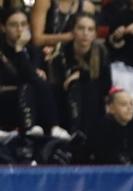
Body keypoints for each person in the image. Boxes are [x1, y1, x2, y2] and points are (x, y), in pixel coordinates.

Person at [0, 6, 67, 137]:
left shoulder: (33, 50)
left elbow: (30, 77)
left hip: (29, 97)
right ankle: (51, 125)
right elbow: (25, 77)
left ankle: (40, 127)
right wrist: (19, 49)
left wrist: (20, 51)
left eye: (23, 24)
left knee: (34, 85)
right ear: (3, 27)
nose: (19, 29)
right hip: (6, 98)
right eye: (13, 25)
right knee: (30, 84)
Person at [48, 12, 110, 140]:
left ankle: (83, 135)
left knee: (90, 87)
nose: (85, 33)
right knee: (75, 86)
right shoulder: (62, 52)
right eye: (81, 28)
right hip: (65, 102)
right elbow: (57, 85)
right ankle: (74, 133)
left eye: (90, 29)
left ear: (95, 34)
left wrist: (82, 75)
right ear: (73, 31)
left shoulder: (101, 52)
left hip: (93, 103)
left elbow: (106, 86)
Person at [88, 87, 133, 164]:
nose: (130, 108)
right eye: (124, 104)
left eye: (131, 104)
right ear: (111, 108)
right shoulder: (102, 129)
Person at [29, 0, 95, 49]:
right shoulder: (44, 2)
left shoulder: (87, 7)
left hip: (72, 53)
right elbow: (37, 39)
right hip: (43, 52)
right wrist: (69, 36)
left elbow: (91, 36)